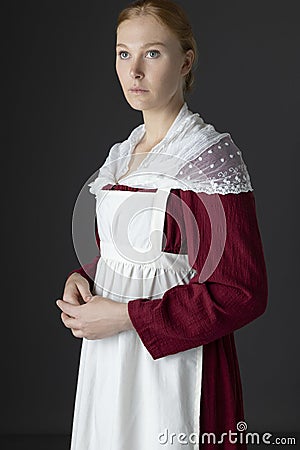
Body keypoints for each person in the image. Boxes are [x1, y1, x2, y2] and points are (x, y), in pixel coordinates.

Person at [56, 1, 268, 449]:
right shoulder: (122, 155)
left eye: (152, 53)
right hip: (109, 362)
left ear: (186, 61)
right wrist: (85, 278)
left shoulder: (207, 159)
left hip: (173, 365)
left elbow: (241, 292)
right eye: (122, 53)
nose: (134, 71)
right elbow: (128, 254)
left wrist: (126, 316)